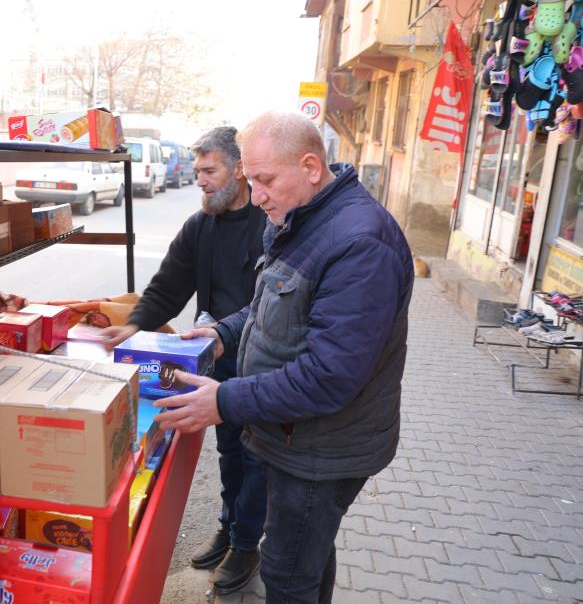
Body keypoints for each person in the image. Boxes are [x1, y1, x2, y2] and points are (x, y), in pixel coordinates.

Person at [155, 111, 413, 604]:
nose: (256, 196)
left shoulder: (359, 244)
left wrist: (225, 401)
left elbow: (330, 375)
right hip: (299, 436)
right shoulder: (309, 219)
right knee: (307, 554)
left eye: (266, 180)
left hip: (320, 448)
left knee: (288, 572)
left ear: (311, 167)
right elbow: (274, 301)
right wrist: (226, 332)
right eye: (250, 181)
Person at [101, 126, 269, 594]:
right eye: (196, 171)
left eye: (209, 170)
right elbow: (168, 284)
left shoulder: (269, 223)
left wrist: (224, 332)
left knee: (256, 457)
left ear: (239, 169)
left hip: (262, 363)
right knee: (230, 451)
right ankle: (229, 526)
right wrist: (134, 325)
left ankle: (246, 544)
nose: (200, 180)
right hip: (214, 359)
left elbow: (267, 303)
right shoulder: (201, 226)